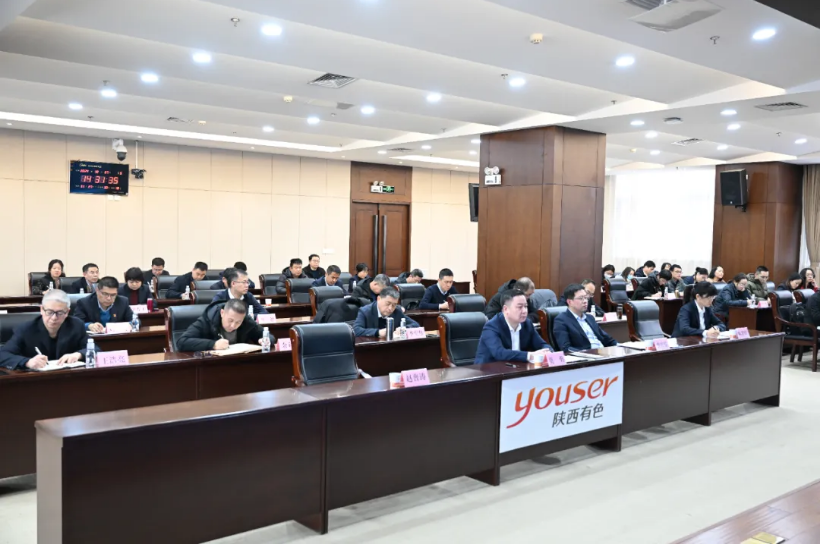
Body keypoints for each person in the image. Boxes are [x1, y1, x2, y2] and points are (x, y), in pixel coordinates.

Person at [0, 290, 89, 370]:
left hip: (67, 377)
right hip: (35, 379)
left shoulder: (76, 325)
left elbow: (93, 348)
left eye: (60, 313)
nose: (54, 318)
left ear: (67, 312)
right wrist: (27, 362)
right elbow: (3, 354)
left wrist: (79, 354)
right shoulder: (26, 329)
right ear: (41, 310)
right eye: (49, 312)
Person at [474, 290, 553, 364]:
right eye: (520, 307)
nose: (524, 311)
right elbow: (499, 353)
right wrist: (530, 355)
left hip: (517, 368)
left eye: (526, 306)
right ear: (506, 309)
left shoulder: (527, 324)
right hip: (489, 370)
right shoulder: (492, 326)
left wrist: (548, 352)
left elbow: (542, 344)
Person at [177, 299, 266, 352]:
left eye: (238, 322)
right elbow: (182, 342)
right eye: (230, 320)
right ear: (222, 313)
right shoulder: (207, 320)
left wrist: (264, 339)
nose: (233, 326)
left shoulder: (246, 321)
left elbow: (267, 335)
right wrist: (213, 344)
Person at [553, 284, 617, 353]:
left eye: (586, 298)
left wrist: (620, 346)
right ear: (569, 302)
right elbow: (566, 348)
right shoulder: (561, 320)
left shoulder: (590, 318)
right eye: (581, 298)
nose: (585, 301)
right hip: (587, 356)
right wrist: (586, 354)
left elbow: (608, 339)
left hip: (602, 353)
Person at [353, 287, 419, 338]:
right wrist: (378, 332)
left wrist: (404, 328)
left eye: (394, 305)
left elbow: (415, 325)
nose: (390, 308)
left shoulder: (397, 311)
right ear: (379, 299)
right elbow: (356, 330)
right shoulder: (365, 311)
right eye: (388, 303)